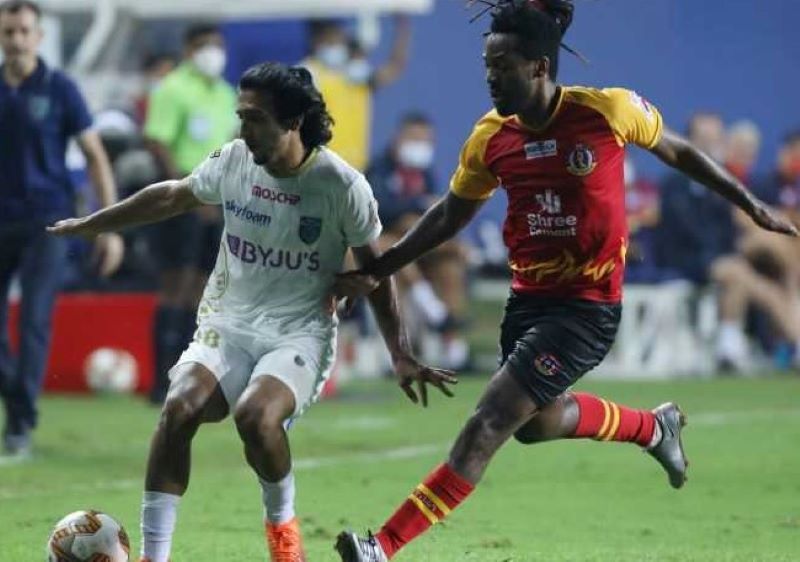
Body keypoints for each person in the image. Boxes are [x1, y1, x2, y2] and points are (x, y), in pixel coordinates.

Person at [331, 1, 797, 560]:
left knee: (489, 423)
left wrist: (750, 204)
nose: (490, 77)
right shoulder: (491, 137)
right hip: (528, 302)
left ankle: (382, 546)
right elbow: (451, 215)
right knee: (535, 423)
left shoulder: (607, 111)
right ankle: (653, 428)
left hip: (586, 309)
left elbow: (679, 151)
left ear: (539, 67)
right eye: (487, 65)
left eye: (502, 66)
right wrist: (380, 265)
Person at [48, 62, 455, 562]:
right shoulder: (235, 160)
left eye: (255, 118)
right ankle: (155, 556)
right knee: (179, 407)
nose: (243, 129)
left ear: (293, 121)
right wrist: (96, 223)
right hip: (228, 321)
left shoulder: (341, 185)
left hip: (298, 332)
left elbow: (378, 269)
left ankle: (284, 537)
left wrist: (400, 352)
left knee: (256, 418)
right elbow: (173, 194)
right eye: (241, 116)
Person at [0, 0, 123, 459]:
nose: (16, 39)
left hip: (47, 223)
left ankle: (20, 423)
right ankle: (17, 395)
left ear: (38, 37)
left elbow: (95, 156)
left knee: (34, 318)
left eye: (23, 31)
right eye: (8, 31)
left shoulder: (60, 89)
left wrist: (110, 225)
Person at [143, 23, 238, 404]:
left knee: (204, 289)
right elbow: (158, 142)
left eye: (217, 45)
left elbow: (229, 145)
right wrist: (189, 194)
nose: (212, 53)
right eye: (203, 46)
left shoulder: (226, 93)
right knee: (176, 285)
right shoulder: (172, 88)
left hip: (217, 202)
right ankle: (159, 380)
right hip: (181, 199)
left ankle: (187, 375)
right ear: (188, 50)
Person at [367, 113, 470, 368]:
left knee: (449, 265)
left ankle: (451, 345)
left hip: (419, 251)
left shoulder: (425, 174)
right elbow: (379, 210)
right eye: (415, 138)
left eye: (426, 140)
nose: (420, 146)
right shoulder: (378, 169)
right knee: (395, 242)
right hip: (383, 249)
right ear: (398, 138)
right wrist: (418, 204)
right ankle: (428, 315)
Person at [303, 16, 410, 170]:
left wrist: (403, 28)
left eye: (339, 41)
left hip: (356, 168)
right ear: (317, 42)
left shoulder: (358, 76)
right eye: (330, 41)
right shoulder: (310, 73)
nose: (336, 46)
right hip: (320, 166)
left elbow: (395, 67)